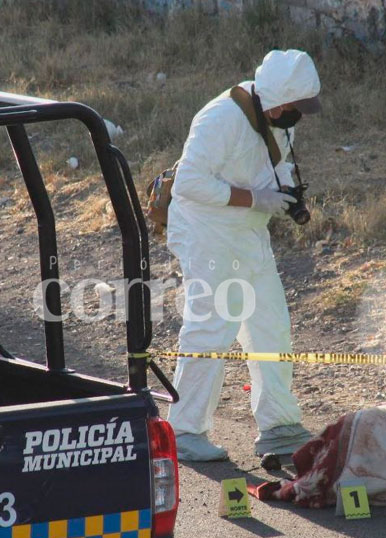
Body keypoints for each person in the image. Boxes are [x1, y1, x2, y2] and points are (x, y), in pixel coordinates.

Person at [167, 49, 321, 461]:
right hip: (207, 232)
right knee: (211, 328)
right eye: (294, 107)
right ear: (276, 99)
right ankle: (184, 431)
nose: (298, 115)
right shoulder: (220, 119)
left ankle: (280, 425)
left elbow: (278, 163)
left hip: (248, 234)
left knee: (271, 327)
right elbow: (187, 184)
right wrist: (256, 198)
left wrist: (283, 193)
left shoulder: (280, 120)